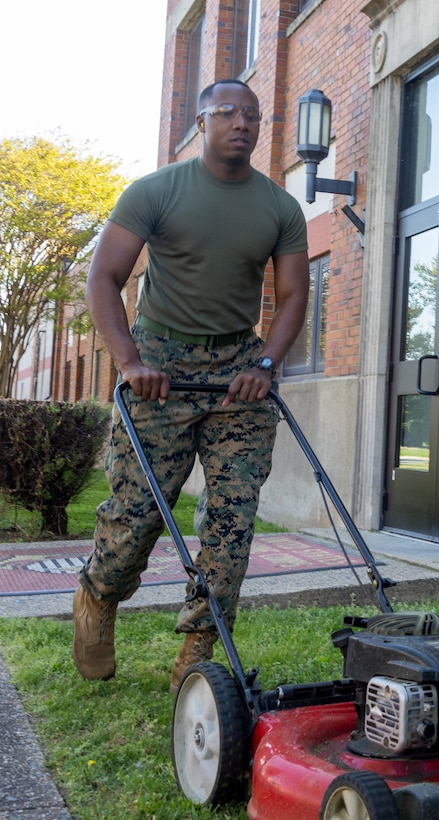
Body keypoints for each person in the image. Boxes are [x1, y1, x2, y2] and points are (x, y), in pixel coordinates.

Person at [73, 79, 310, 690]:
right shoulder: (155, 191)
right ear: (202, 120)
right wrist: (128, 362)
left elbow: (290, 298)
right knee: (138, 513)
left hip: (237, 375)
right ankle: (98, 595)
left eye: (252, 115)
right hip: (159, 367)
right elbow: (104, 278)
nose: (242, 122)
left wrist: (265, 365)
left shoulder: (280, 208)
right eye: (228, 111)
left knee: (232, 517)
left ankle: (199, 648)